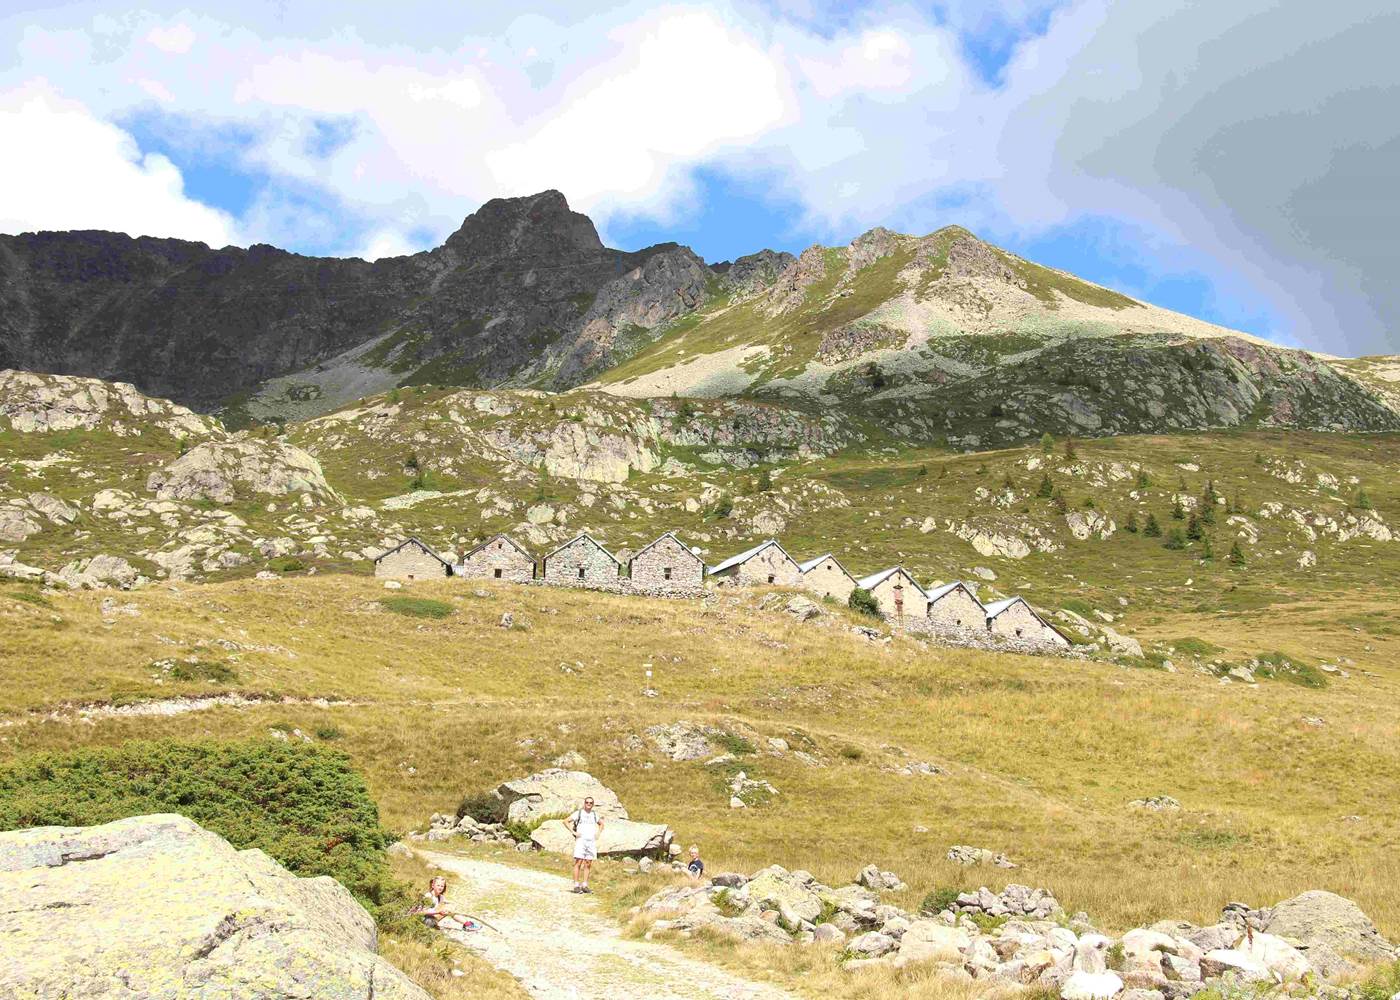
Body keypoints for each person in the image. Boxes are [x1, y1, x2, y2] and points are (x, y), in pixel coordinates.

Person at [565, 796, 604, 893]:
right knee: (578, 862)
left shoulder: (594, 814)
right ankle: (576, 885)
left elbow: (601, 824)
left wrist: (598, 833)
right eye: (587, 802)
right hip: (581, 841)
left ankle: (585, 885)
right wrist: (573, 832)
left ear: (593, 804)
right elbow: (565, 821)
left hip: (591, 842)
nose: (589, 804)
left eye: (591, 803)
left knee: (588, 863)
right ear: (584, 803)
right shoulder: (578, 813)